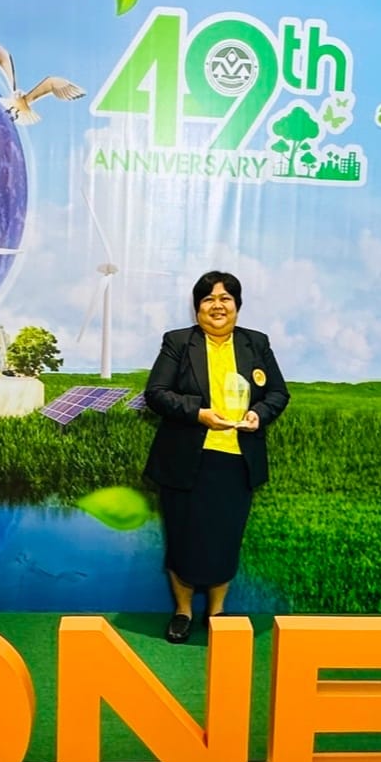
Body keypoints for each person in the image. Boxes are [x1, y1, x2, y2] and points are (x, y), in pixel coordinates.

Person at [143, 271, 289, 644]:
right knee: (182, 540)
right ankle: (182, 612)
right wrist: (199, 413)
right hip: (186, 462)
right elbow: (156, 392)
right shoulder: (178, 342)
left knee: (225, 540)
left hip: (236, 462)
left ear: (237, 305)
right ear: (197, 308)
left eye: (225, 298)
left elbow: (278, 393)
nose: (217, 305)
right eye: (208, 299)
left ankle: (217, 612)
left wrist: (259, 414)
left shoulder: (256, 343)